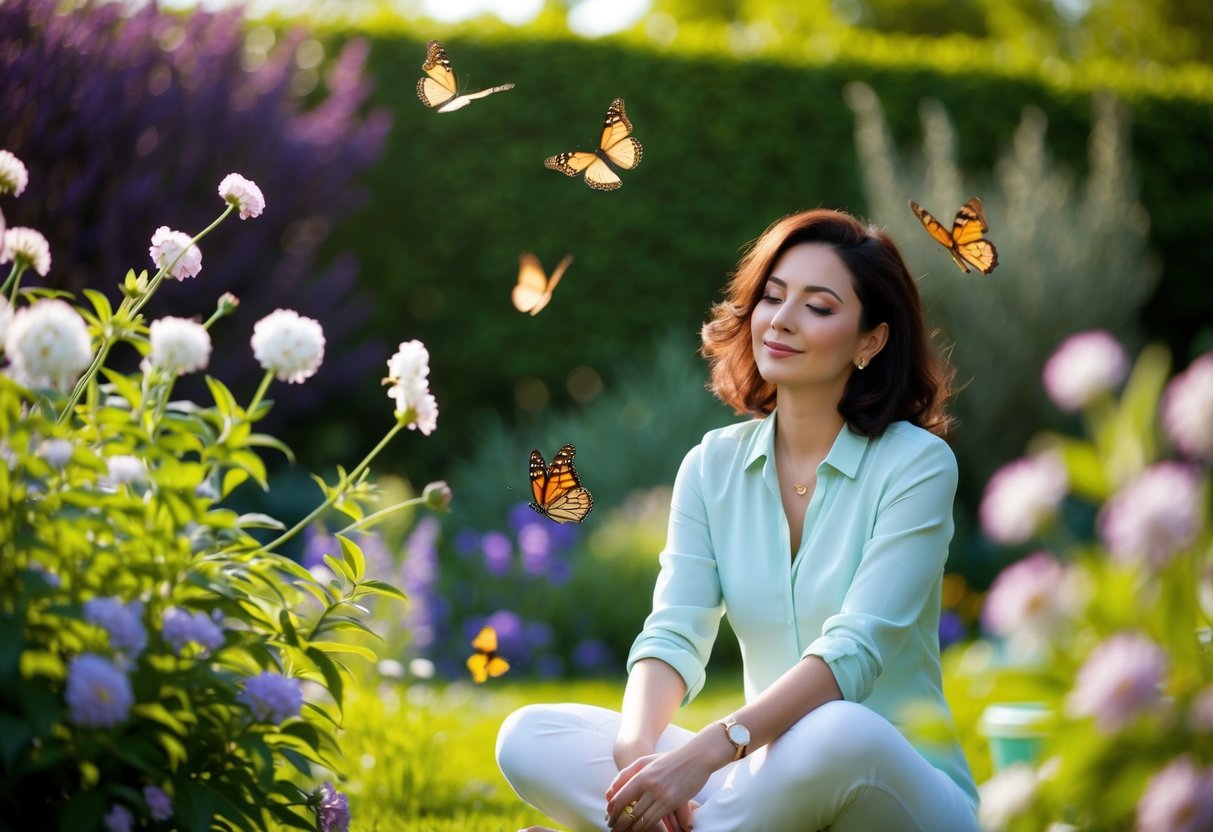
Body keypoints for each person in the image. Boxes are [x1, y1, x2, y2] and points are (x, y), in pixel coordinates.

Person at [495, 208, 980, 832]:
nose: (781, 319)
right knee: (530, 736)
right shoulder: (711, 465)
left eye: (819, 306)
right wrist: (639, 748)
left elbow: (855, 651)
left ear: (870, 341)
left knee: (837, 730)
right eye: (772, 297)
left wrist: (705, 754)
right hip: (764, 781)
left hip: (892, 787)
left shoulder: (917, 465)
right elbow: (674, 632)